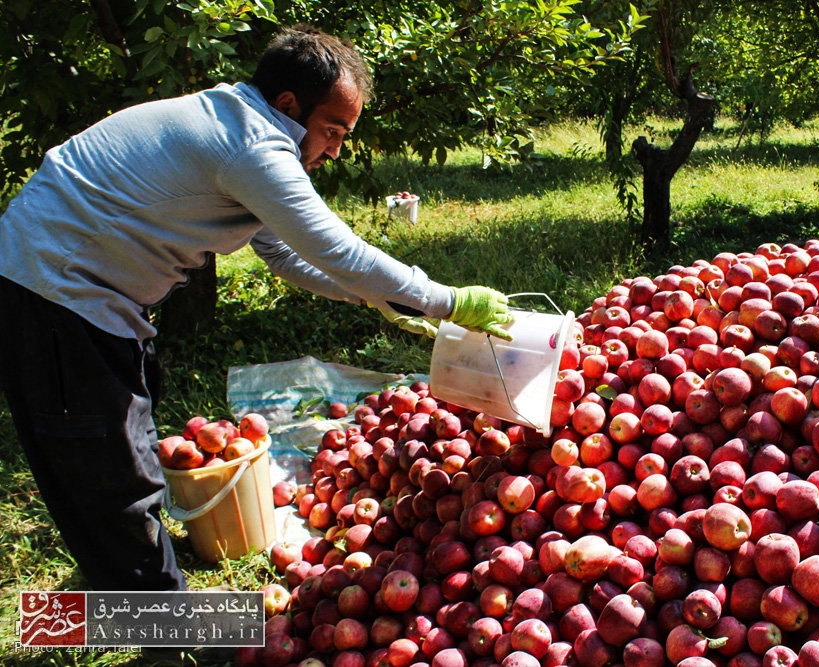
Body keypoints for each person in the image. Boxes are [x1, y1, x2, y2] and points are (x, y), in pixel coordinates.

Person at [0, 23, 513, 593]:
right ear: (288, 105)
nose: (334, 150)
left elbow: (284, 255)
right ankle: (160, 622)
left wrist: (371, 293)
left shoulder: (237, 123)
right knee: (104, 472)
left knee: (123, 447)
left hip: (83, 292)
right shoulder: (251, 144)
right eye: (332, 130)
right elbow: (337, 250)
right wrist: (447, 300)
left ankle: (126, 565)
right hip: (54, 294)